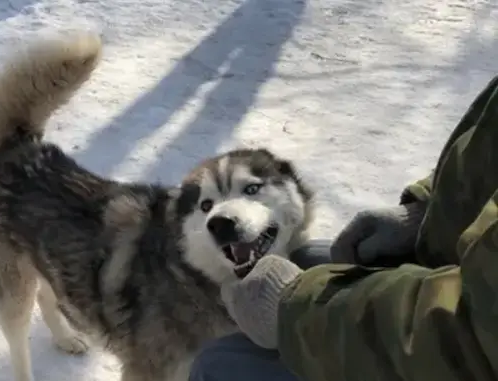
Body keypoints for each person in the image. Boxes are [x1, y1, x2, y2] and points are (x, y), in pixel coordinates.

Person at [189, 75, 498, 381]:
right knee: (306, 258)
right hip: (458, 272)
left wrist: (298, 309)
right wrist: (426, 211)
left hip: (457, 345)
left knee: (219, 365)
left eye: (252, 189)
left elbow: (471, 333)